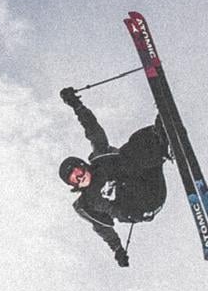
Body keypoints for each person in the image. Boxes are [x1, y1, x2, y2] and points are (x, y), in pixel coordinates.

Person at [58, 86, 169, 267]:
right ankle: (161, 146)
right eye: (74, 179)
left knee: (132, 145)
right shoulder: (88, 203)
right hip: (142, 207)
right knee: (125, 161)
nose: (79, 178)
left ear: (84, 166)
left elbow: (93, 130)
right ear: (73, 186)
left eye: (78, 172)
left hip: (150, 183)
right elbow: (103, 228)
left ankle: (163, 139)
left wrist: (76, 105)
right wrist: (117, 249)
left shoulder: (101, 160)